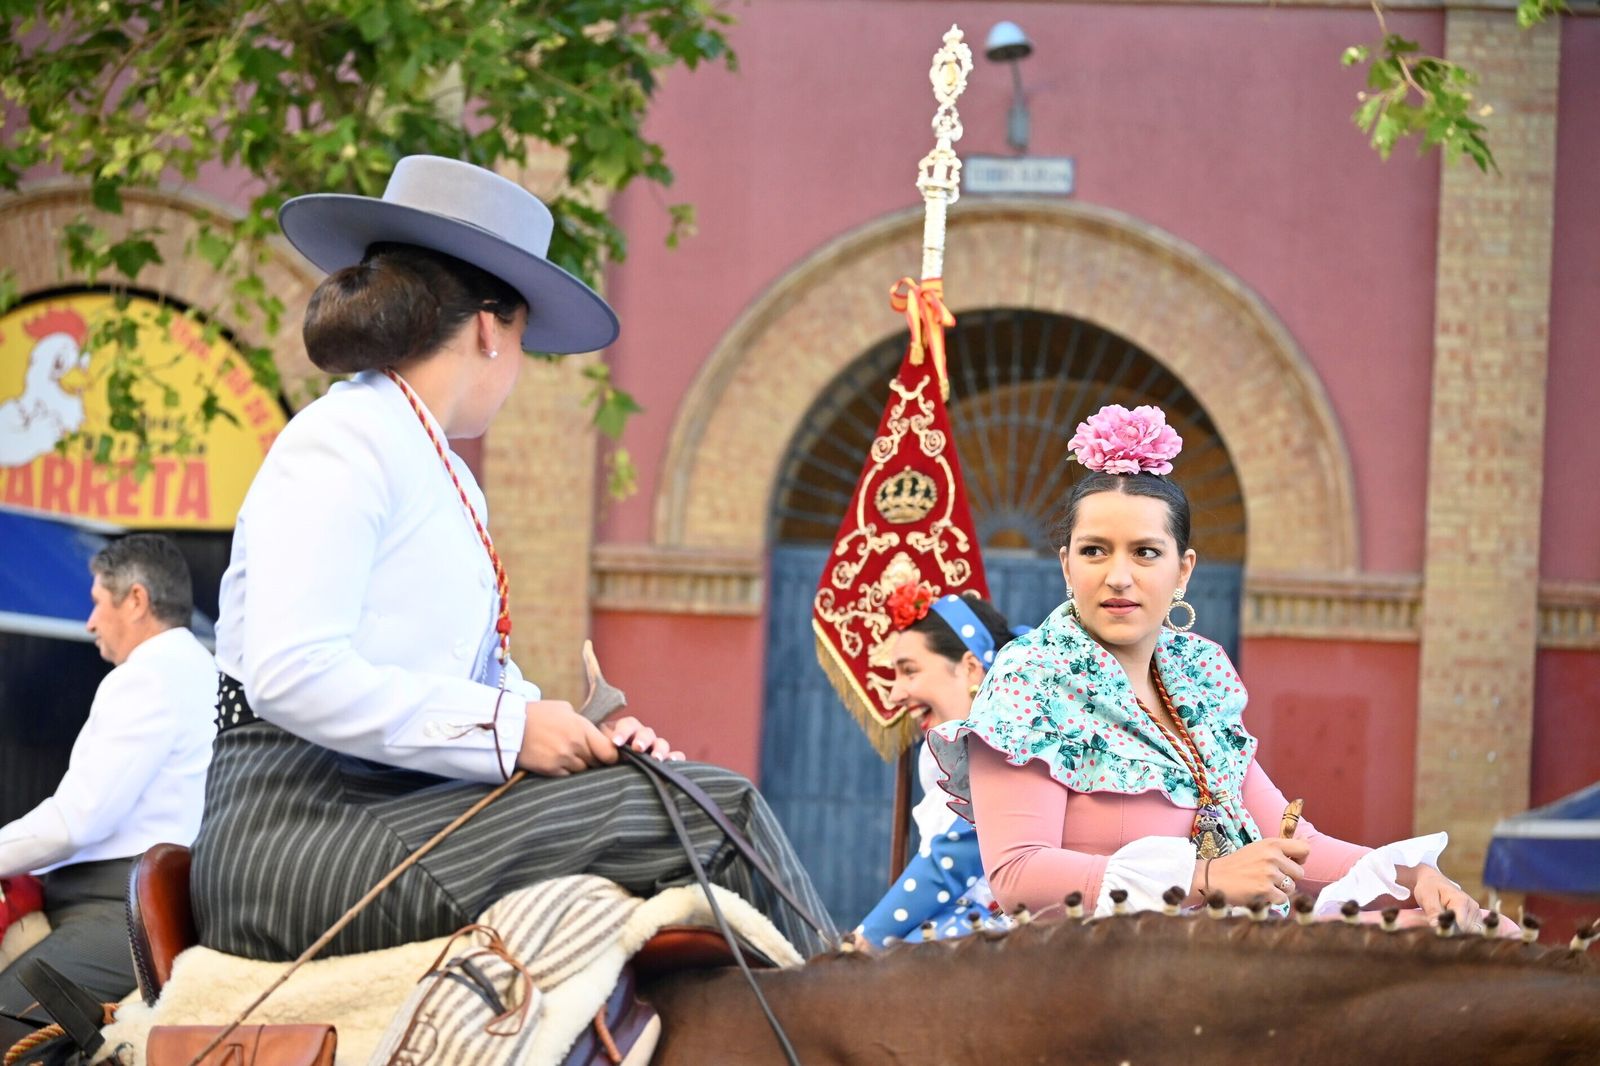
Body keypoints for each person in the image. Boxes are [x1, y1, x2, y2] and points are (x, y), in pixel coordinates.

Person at [190, 155, 834, 964]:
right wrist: (514, 726)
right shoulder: (340, 439)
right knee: (720, 811)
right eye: (527, 342)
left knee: (677, 792)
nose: (521, 369)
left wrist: (581, 730)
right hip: (300, 835)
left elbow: (466, 686)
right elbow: (289, 673)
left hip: (399, 811)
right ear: (492, 328)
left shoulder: (439, 464)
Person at [929, 404, 1497, 929]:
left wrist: (1413, 877)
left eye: (1145, 552)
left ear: (1183, 571)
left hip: (1215, 963)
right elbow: (1017, 877)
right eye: (1095, 550)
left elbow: (1288, 840)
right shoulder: (1032, 679)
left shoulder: (1195, 681)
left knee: (1460, 938)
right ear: (1066, 564)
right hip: (1097, 982)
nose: (1118, 576)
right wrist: (1204, 879)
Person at [0, 535, 215, 1022]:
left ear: (136, 600)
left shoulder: (147, 675)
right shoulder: (207, 671)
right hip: (153, 898)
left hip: (121, 910)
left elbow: (75, 823)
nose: (91, 622)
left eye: (97, 602)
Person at [857, 588, 1018, 944]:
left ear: (971, 668)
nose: (895, 694)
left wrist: (869, 938)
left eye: (909, 671)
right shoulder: (950, 756)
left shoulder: (1011, 739)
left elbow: (956, 857)